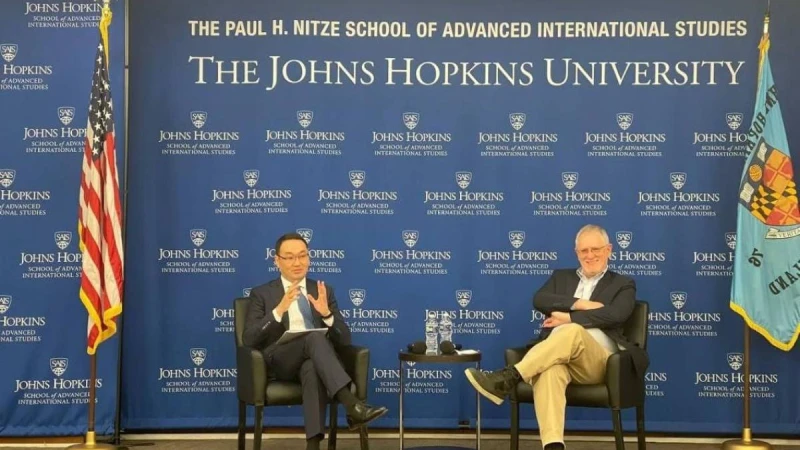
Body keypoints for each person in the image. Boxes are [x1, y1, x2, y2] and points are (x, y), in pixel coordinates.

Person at [464, 224, 648, 450]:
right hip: (562, 357)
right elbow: (540, 300)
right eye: (584, 251)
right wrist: (581, 304)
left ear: (608, 250)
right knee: (549, 370)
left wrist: (569, 318)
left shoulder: (623, 283)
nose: (590, 255)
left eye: (596, 249)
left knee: (572, 331)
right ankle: (553, 445)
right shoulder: (561, 277)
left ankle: (510, 376)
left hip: (601, 363)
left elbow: (616, 314)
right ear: (576, 253)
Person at [243, 232, 387, 450]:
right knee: (314, 337)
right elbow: (249, 339)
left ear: (309, 258)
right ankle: (352, 406)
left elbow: (344, 339)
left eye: (302, 256)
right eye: (290, 257)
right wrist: (278, 310)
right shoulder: (261, 293)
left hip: (317, 359)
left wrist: (327, 314)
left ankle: (313, 446)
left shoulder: (322, 291)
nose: (297, 262)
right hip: (280, 361)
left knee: (312, 366)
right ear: (277, 261)